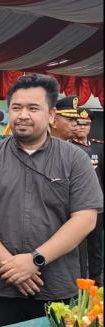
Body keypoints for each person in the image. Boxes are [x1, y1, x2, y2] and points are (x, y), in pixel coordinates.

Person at [0, 73, 103, 327]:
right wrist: (10, 265)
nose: (23, 114)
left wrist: (35, 260)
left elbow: (85, 219)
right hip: (0, 285)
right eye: (16, 107)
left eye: (33, 108)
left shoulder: (74, 160)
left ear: (50, 115)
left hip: (57, 286)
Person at [72, 108, 104, 286]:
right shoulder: (69, 147)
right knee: (77, 246)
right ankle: (78, 280)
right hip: (76, 206)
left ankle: (96, 281)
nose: (82, 127)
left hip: (96, 205)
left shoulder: (99, 147)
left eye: (86, 124)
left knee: (95, 246)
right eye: (78, 123)